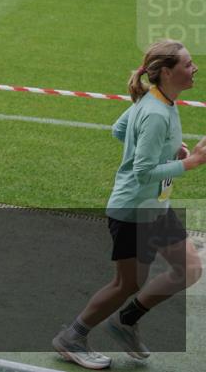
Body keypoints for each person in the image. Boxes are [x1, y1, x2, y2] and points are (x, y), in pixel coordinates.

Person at [53, 40, 206, 369]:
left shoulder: (160, 99)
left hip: (154, 208)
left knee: (189, 269)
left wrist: (168, 148)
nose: (194, 68)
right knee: (127, 284)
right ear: (167, 72)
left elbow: (119, 129)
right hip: (134, 210)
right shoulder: (154, 112)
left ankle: (126, 321)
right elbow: (142, 171)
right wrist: (190, 162)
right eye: (188, 64)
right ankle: (73, 337)